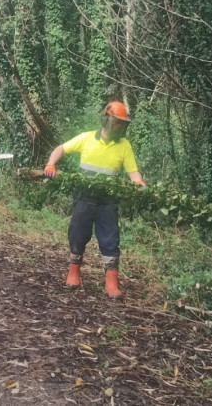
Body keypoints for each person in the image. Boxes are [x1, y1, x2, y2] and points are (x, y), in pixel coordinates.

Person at [43, 101, 145, 299]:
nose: (120, 127)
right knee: (78, 234)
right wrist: (51, 163)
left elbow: (132, 170)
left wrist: (139, 182)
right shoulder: (87, 138)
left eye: (123, 124)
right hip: (84, 196)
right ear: (106, 119)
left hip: (107, 201)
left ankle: (111, 282)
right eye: (117, 122)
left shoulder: (124, 146)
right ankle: (74, 272)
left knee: (110, 238)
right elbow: (61, 148)